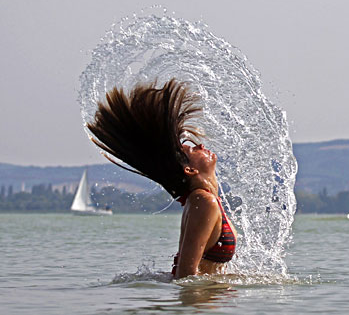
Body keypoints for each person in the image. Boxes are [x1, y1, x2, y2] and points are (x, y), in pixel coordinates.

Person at [86, 79, 237, 278]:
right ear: (190, 170)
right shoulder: (204, 201)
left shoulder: (201, 199)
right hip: (199, 306)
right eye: (191, 149)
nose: (200, 146)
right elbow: (186, 276)